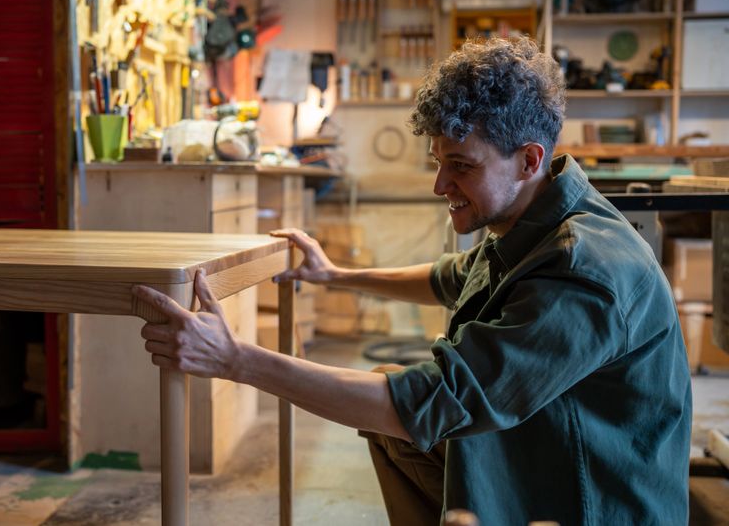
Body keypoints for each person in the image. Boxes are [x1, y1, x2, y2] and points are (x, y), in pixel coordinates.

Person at [132, 37, 691, 525]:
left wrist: (237, 360)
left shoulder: (584, 268)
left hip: (594, 498)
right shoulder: (539, 218)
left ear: (528, 159)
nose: (440, 183)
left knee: (406, 410)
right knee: (392, 417)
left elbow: (442, 399)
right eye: (438, 162)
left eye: (462, 166)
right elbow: (456, 278)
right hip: (556, 448)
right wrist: (335, 275)